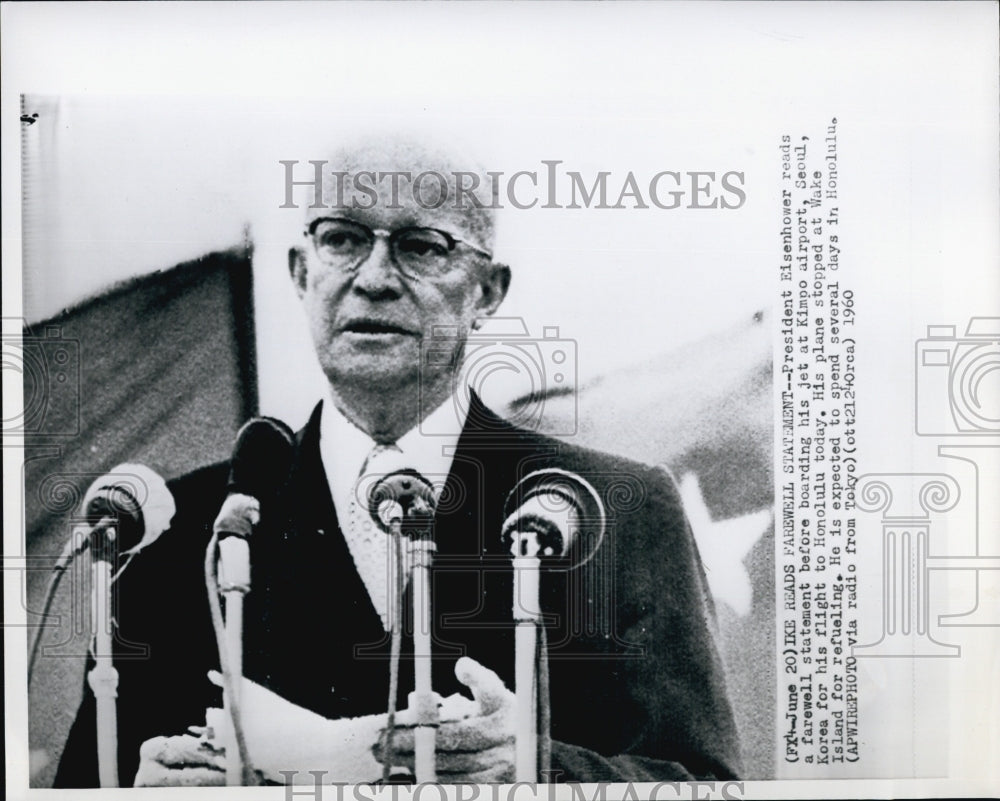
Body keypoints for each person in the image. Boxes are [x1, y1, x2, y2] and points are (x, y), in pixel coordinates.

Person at [55, 136, 742, 787]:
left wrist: (537, 771)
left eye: (421, 246)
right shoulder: (179, 532)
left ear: (488, 291)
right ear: (301, 271)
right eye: (342, 240)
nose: (375, 279)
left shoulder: (610, 510)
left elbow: (704, 786)